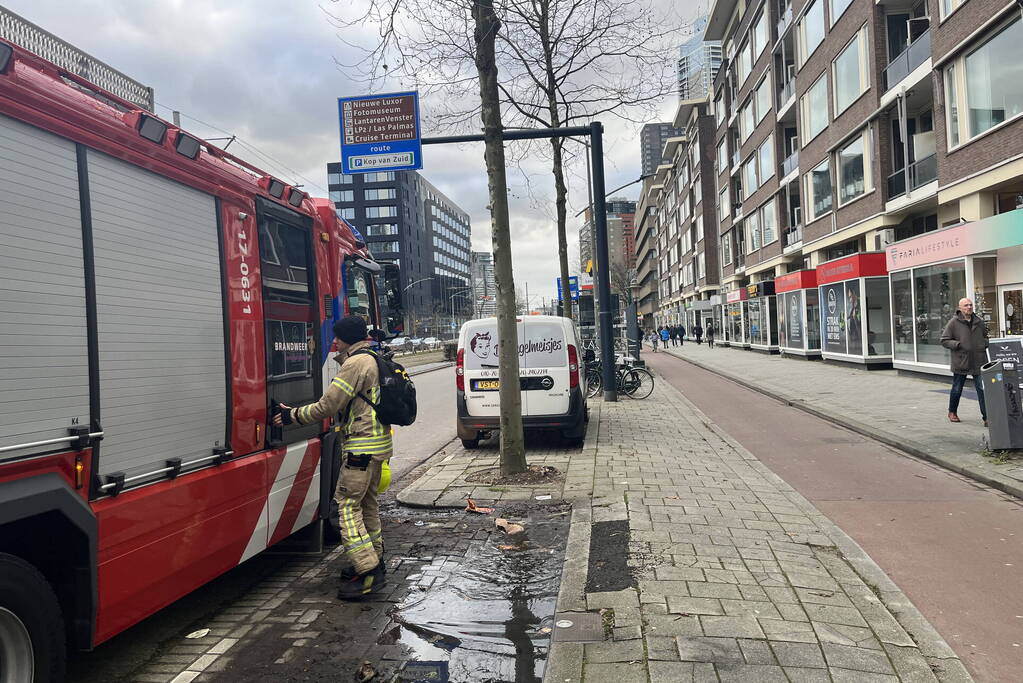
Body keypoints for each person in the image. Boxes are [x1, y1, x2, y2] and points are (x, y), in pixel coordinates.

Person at [274, 315, 391, 599]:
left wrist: (292, 416)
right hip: (379, 447)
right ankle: (376, 560)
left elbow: (328, 405)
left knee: (347, 507)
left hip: (361, 449)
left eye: (337, 337)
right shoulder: (373, 358)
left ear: (348, 337)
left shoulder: (355, 364)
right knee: (368, 506)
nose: (334, 341)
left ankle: (367, 572)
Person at [940, 298, 989, 426]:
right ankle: (952, 412)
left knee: (982, 390)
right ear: (960, 308)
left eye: (971, 305)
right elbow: (944, 340)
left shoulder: (979, 322)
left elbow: (985, 336)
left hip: (979, 361)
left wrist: (985, 344)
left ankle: (987, 417)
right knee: (957, 389)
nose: (969, 307)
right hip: (961, 361)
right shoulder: (953, 323)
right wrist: (958, 344)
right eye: (966, 305)